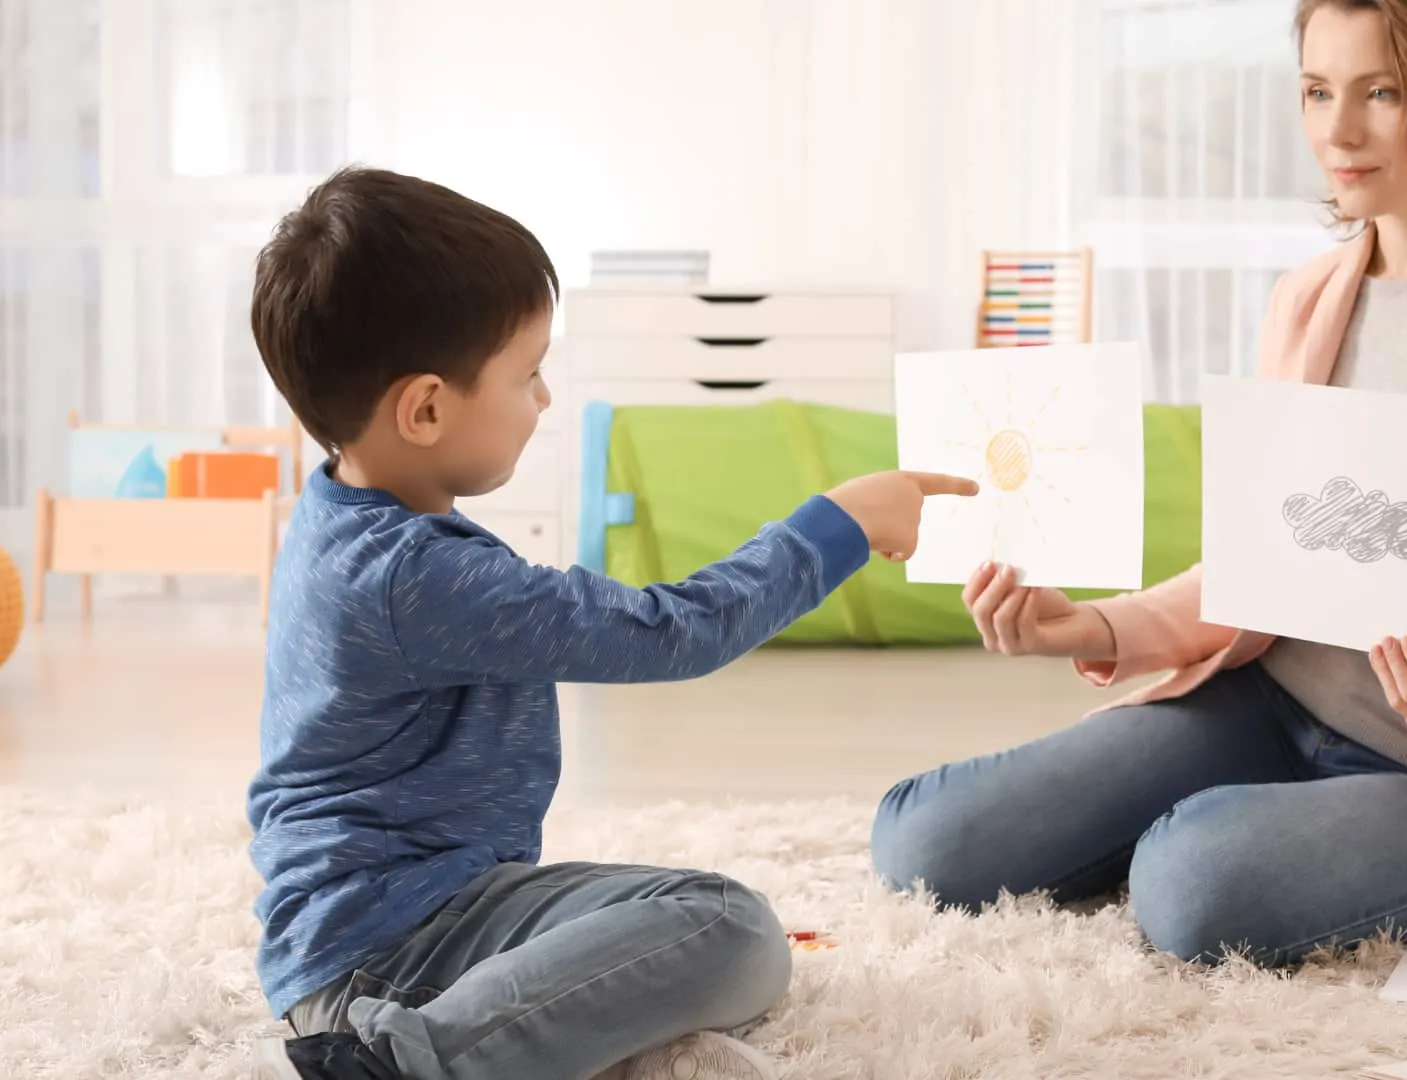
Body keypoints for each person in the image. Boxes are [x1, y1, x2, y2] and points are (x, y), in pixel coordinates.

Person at [869, 0, 1407, 970]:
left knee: (1191, 882)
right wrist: (1088, 626)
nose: (1339, 131)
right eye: (1317, 92)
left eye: (1382, 93)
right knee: (926, 843)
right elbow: (1259, 566)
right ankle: (1253, 829)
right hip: (1267, 703)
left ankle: (1330, 848)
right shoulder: (1305, 298)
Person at [245, 166, 975, 1080]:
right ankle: (411, 1064)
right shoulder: (418, 577)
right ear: (425, 408)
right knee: (726, 927)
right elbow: (675, 631)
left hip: (388, 920)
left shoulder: (341, 511)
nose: (545, 398)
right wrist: (838, 527)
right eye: (528, 374)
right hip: (389, 946)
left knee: (687, 927)